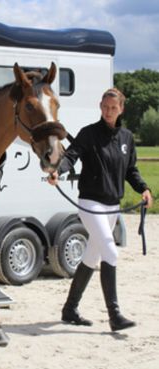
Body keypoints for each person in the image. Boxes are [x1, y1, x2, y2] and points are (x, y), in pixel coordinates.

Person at [47, 87, 153, 331]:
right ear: (100, 106)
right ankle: (115, 316)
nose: (108, 111)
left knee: (92, 256)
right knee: (111, 253)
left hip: (112, 206)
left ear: (121, 109)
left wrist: (144, 189)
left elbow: (131, 171)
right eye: (105, 107)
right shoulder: (88, 134)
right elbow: (71, 156)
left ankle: (70, 309)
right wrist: (58, 171)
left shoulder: (126, 138)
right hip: (91, 204)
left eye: (113, 108)